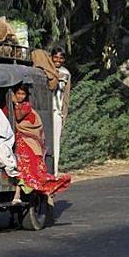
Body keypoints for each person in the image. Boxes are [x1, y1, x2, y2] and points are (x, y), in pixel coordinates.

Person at [5, 84, 71, 224]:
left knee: (25, 163)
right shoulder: (6, 108)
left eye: (23, 94)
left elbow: (17, 118)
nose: (20, 96)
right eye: (18, 94)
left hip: (27, 141)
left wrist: (15, 103)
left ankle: (25, 193)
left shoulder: (25, 106)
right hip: (12, 139)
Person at [51, 47, 71, 176]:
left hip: (56, 111)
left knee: (55, 143)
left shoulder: (65, 74)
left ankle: (54, 171)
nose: (58, 60)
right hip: (44, 111)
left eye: (61, 58)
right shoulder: (45, 70)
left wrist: (64, 114)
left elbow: (66, 96)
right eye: (56, 57)